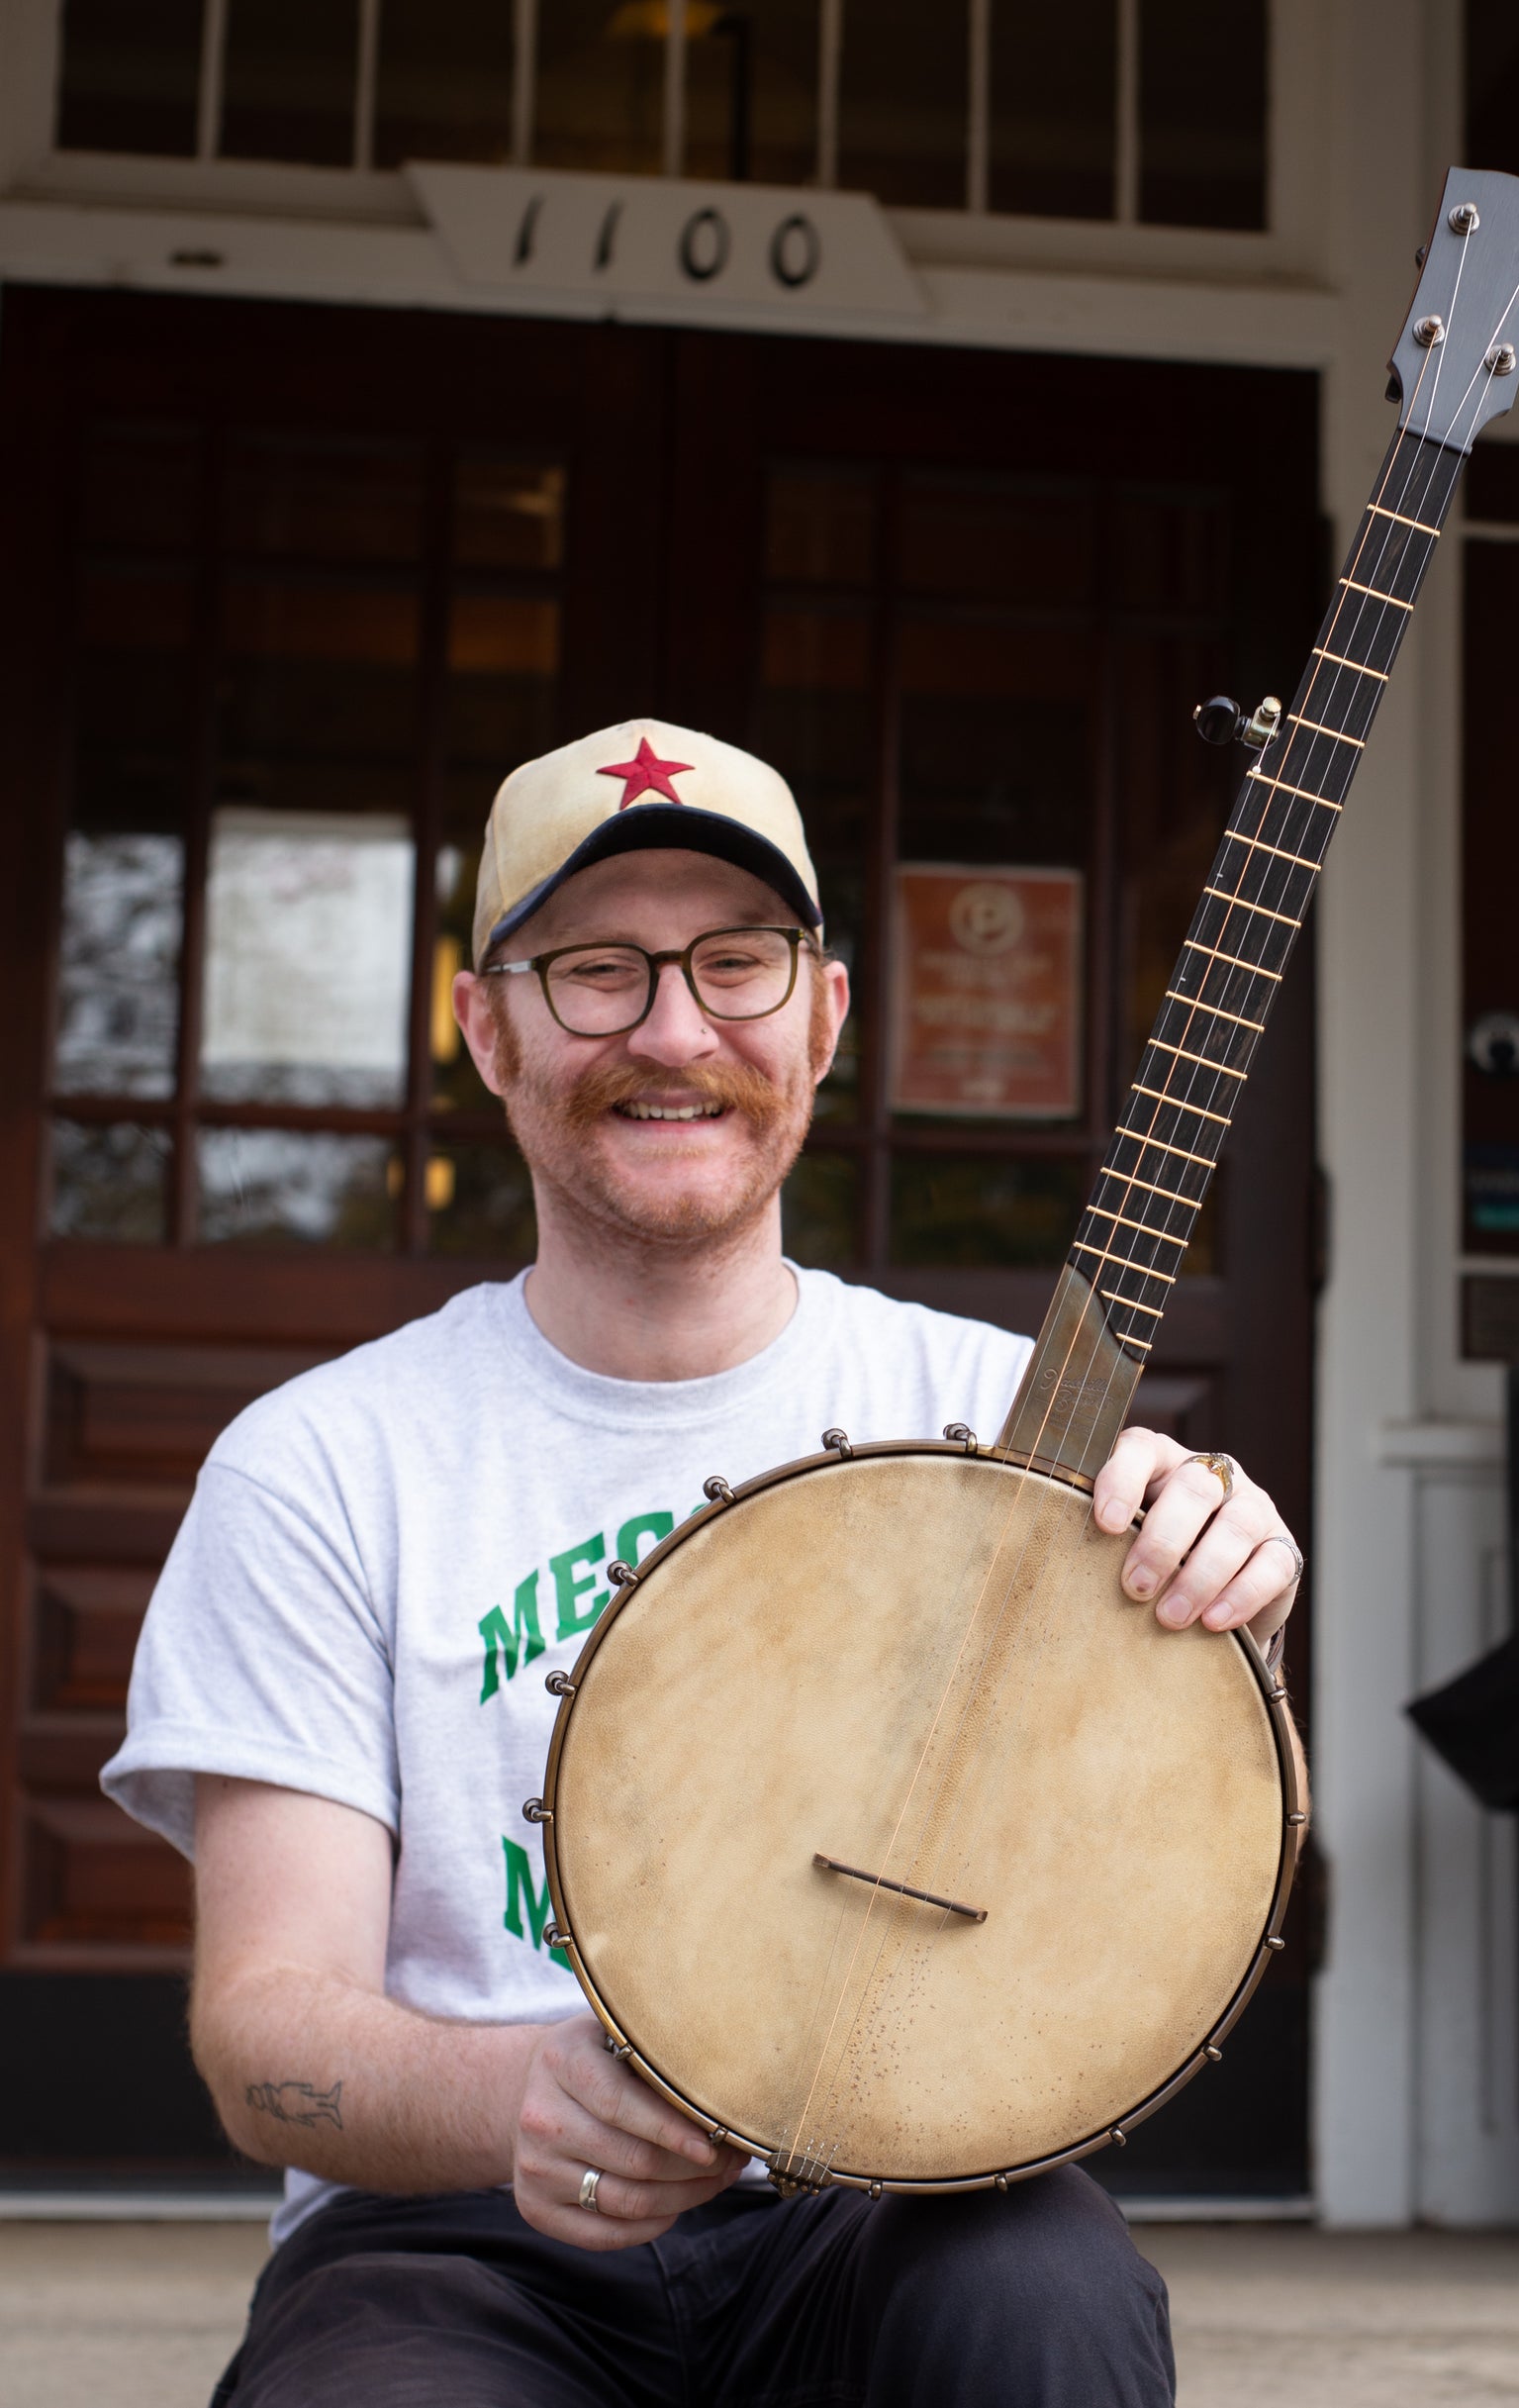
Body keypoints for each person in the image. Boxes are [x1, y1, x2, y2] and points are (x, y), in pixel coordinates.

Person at [103, 720, 1304, 2408]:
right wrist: (522, 2099)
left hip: (878, 2211)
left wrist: (1220, 1595)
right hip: (458, 2245)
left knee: (1048, 2299)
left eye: (736, 963)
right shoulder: (323, 1464)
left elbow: (1124, 1869)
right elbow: (265, 2035)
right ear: (487, 1027)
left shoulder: (1007, 1427)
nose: (675, 1030)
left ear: (819, 1013)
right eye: (596, 968)